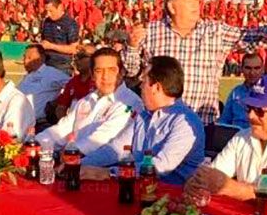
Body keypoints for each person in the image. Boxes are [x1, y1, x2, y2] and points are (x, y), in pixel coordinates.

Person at [124, 0, 267, 125]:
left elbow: (247, 36)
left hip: (202, 122)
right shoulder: (151, 31)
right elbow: (131, 72)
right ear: (172, 6)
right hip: (160, 122)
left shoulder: (215, 31)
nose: (197, 4)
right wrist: (132, 46)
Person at [81, 56, 205, 185]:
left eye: (144, 81)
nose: (140, 86)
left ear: (156, 87)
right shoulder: (143, 116)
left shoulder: (185, 123)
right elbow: (115, 149)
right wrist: (78, 164)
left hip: (170, 196)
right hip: (139, 188)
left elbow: (160, 167)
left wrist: (108, 173)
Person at [36, 47, 141, 155]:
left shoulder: (129, 102)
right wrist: (35, 143)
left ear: (122, 72)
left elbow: (99, 140)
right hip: (72, 159)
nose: (105, 76)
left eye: (111, 70)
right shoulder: (85, 101)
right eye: (99, 71)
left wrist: (71, 152)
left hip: (102, 167)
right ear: (92, 74)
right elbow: (60, 131)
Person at [18, 44, 70, 124]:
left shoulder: (51, 73)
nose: (25, 61)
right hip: (23, 123)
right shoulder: (27, 77)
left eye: (29, 58)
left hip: (40, 124)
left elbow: (71, 85)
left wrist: (58, 101)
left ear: (41, 58)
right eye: (24, 57)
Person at [217, 53, 265, 129]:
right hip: (236, 135)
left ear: (263, 69)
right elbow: (224, 121)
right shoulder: (236, 93)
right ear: (242, 69)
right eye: (248, 68)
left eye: (256, 68)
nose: (252, 72)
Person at [48, 51, 94, 122]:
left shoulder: (98, 81)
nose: (77, 61)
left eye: (82, 57)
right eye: (76, 58)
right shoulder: (72, 81)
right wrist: (64, 124)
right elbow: (61, 107)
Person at [40, 0, 80, 74]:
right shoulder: (46, 22)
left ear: (60, 7)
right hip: (46, 64)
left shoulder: (70, 23)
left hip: (63, 66)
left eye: (51, 11)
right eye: (46, 11)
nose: (48, 14)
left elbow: (74, 49)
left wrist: (51, 46)